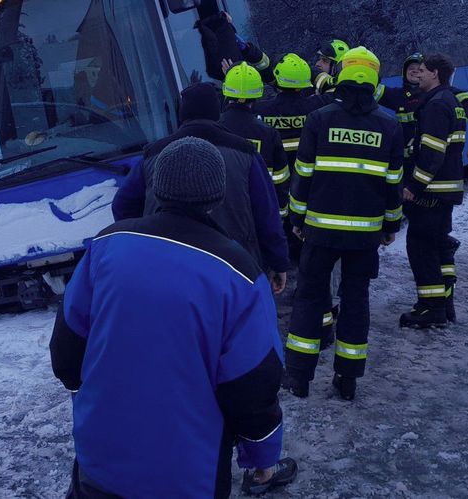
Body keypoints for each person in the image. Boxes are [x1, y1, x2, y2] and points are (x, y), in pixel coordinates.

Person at [51, 137, 298, 498]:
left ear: (156, 187)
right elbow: (253, 386)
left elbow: (67, 347)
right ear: (217, 197)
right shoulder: (240, 276)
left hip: (99, 459)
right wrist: (262, 458)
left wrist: (91, 402)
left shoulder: (107, 245)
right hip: (187, 472)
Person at [283, 47, 403, 401]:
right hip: (364, 237)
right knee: (356, 301)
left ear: (343, 74)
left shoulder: (319, 119)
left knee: (309, 298)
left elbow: (302, 176)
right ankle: (347, 378)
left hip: (319, 232)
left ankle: (299, 378)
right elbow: (393, 183)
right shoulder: (389, 124)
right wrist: (390, 226)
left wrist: (297, 219)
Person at [112, 82, 292, 290]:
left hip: (166, 264)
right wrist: (278, 262)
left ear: (182, 113)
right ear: (217, 112)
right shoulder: (246, 153)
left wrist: (145, 240)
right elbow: (266, 215)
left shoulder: (153, 154)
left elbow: (122, 206)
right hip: (234, 265)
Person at [399, 54, 468, 328]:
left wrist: (414, 187)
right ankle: (443, 301)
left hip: (431, 191)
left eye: (424, 71)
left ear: (436, 74)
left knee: (421, 248)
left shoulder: (437, 105)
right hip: (445, 190)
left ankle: (431, 308)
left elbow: (431, 153)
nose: (418, 75)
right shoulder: (451, 101)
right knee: (438, 244)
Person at [254, 53, 329, 267]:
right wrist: (317, 75)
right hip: (308, 186)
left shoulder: (262, 110)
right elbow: (335, 91)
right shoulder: (316, 107)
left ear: (277, 79)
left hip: (276, 186)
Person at [220, 64, 291, 218]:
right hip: (257, 213)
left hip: (221, 213)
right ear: (258, 93)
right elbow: (280, 180)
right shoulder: (268, 133)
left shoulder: (214, 126)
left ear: (226, 90)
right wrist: (280, 215)